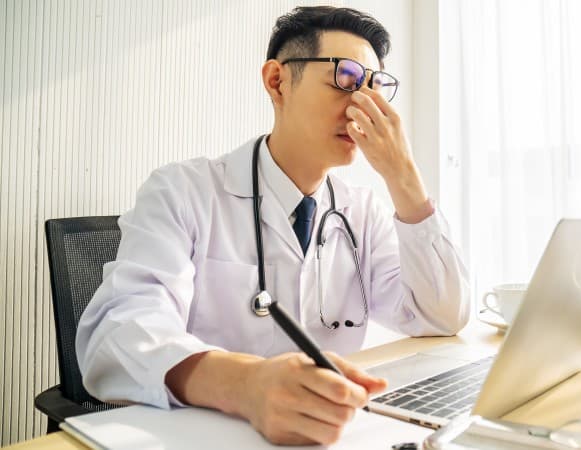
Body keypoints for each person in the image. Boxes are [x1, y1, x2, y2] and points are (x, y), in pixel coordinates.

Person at [75, 5, 470, 446]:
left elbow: (441, 315)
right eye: (346, 79)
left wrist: (404, 177)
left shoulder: (363, 210)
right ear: (277, 81)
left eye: (375, 88)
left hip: (332, 436)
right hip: (210, 436)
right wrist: (246, 384)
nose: (364, 105)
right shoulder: (183, 192)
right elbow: (116, 335)